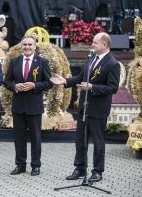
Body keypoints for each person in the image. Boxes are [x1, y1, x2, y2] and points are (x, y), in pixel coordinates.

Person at [50, 32, 120, 182]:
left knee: (98, 142)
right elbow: (80, 78)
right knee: (80, 140)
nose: (92, 45)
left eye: (95, 43)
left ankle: (97, 171)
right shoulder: (91, 58)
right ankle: (80, 168)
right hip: (84, 108)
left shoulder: (113, 64)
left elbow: (112, 88)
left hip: (98, 109)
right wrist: (64, 81)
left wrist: (92, 87)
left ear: (104, 45)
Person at [4, 36, 53, 176]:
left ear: (34, 46)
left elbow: (49, 83)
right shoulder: (14, 61)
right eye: (24, 44)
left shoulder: (42, 62)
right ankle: (20, 165)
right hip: (18, 106)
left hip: (34, 106)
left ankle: (36, 165)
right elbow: (6, 82)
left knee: (35, 137)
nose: (27, 47)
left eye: (29, 45)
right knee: (18, 137)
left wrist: (34, 85)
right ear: (21, 46)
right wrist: (15, 86)